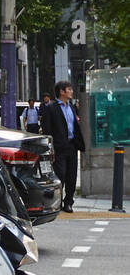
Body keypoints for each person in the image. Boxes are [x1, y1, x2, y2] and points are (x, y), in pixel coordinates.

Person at [42, 79, 85, 213]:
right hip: (59, 147)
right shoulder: (51, 107)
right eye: (69, 89)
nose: (71, 92)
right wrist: (50, 148)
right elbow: (47, 129)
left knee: (72, 176)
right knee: (60, 175)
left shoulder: (71, 107)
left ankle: (69, 202)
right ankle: (58, 202)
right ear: (62, 91)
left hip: (72, 146)